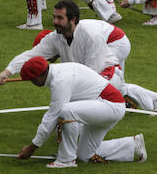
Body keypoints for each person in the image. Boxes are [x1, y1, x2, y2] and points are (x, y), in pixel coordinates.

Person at [0, 0, 157, 112]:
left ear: (73, 19)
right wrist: (7, 72)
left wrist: (67, 91)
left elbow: (91, 73)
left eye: (60, 18)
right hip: (102, 55)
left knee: (94, 90)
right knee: (112, 87)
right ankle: (155, 100)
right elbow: (30, 55)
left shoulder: (91, 36)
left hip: (116, 42)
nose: (55, 22)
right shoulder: (55, 37)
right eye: (54, 17)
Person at [12, 56, 146, 167]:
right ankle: (133, 145)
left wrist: (32, 147)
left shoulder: (60, 80)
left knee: (66, 111)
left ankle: (66, 160)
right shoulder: (59, 71)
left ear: (37, 78)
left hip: (110, 106)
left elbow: (52, 117)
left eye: (31, 80)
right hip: (103, 106)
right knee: (84, 155)